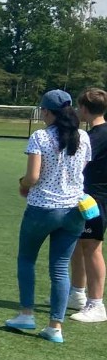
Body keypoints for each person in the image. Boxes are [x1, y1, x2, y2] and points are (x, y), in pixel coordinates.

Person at [6, 89, 88, 343]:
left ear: (48, 111)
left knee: (27, 260)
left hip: (44, 207)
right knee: (60, 268)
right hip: (75, 209)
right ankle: (55, 326)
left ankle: (26, 314)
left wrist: (22, 182)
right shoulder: (83, 136)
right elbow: (79, 171)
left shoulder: (40, 136)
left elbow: (33, 177)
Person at [69, 88, 107, 323]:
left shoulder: (97, 136)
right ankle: (77, 293)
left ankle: (96, 304)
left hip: (96, 198)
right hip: (87, 196)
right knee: (79, 243)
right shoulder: (95, 133)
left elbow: (78, 163)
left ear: (83, 109)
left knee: (92, 247)